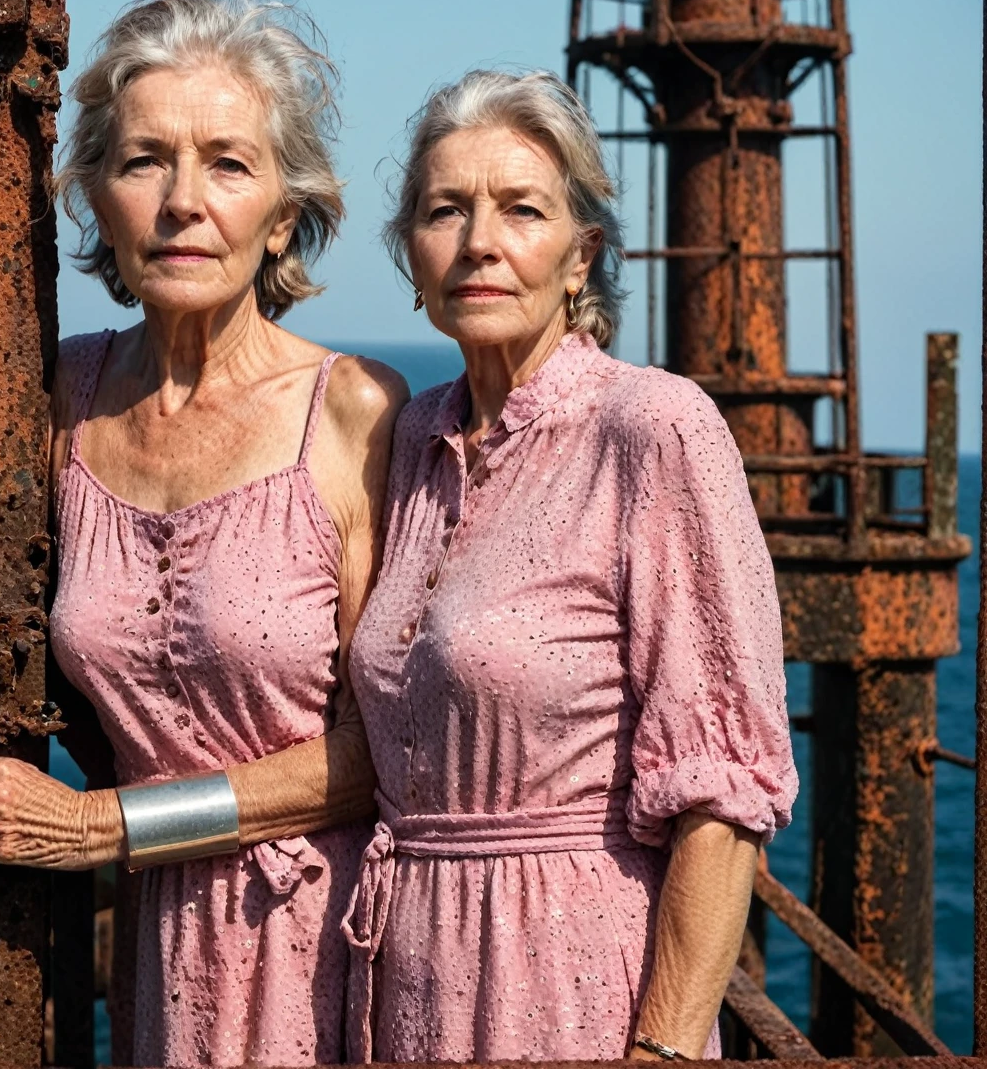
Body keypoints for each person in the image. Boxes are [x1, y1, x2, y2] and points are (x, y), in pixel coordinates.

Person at [0, 0, 407, 1067]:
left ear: (283, 211)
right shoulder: (56, 400)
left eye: (228, 163)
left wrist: (100, 826)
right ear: (94, 196)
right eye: (144, 159)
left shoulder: (354, 412)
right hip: (159, 954)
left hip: (342, 945)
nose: (182, 200)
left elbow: (387, 754)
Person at [342, 69, 798, 1063]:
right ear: (410, 256)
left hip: (567, 973)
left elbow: (721, 789)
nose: (479, 242)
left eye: (520, 209)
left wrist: (665, 1047)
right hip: (399, 975)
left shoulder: (652, 427)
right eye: (443, 210)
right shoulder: (409, 436)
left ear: (579, 252)